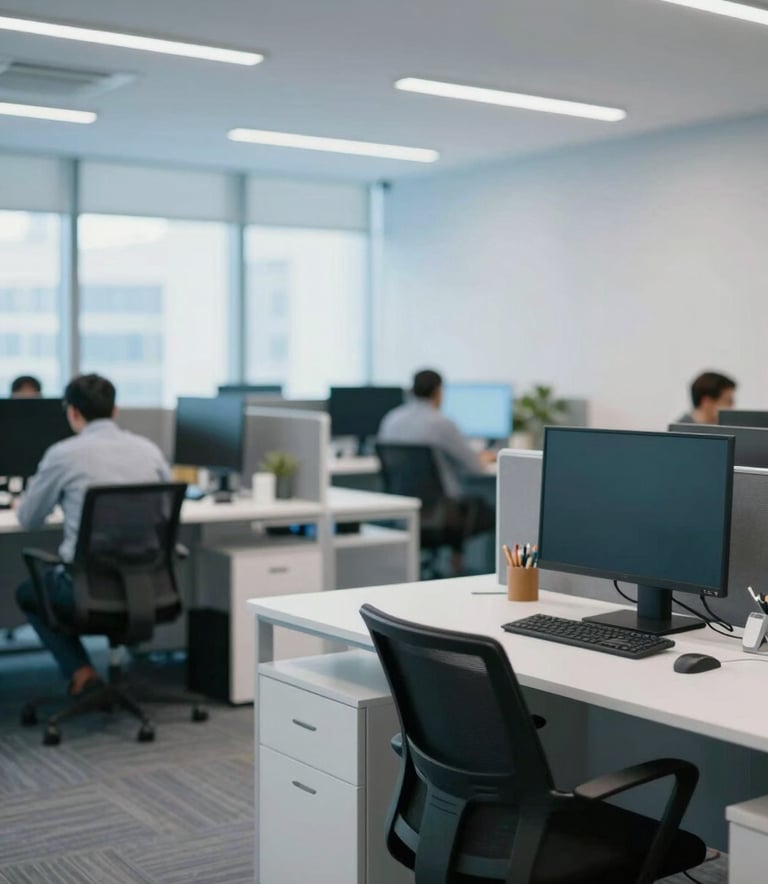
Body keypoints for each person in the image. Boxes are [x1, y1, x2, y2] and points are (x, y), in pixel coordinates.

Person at [15, 374, 171, 696]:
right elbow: (165, 515)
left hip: (87, 591)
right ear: (115, 410)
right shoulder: (149, 451)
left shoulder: (63, 454)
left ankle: (81, 671)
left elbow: (29, 519)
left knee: (27, 593)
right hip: (148, 587)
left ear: (72, 412)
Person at [378, 369, 496, 572]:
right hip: (441, 513)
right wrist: (486, 456)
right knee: (490, 511)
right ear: (438, 392)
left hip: (404, 512)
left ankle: (452, 568)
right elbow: (475, 466)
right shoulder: (441, 423)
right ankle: (462, 570)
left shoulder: (391, 419)